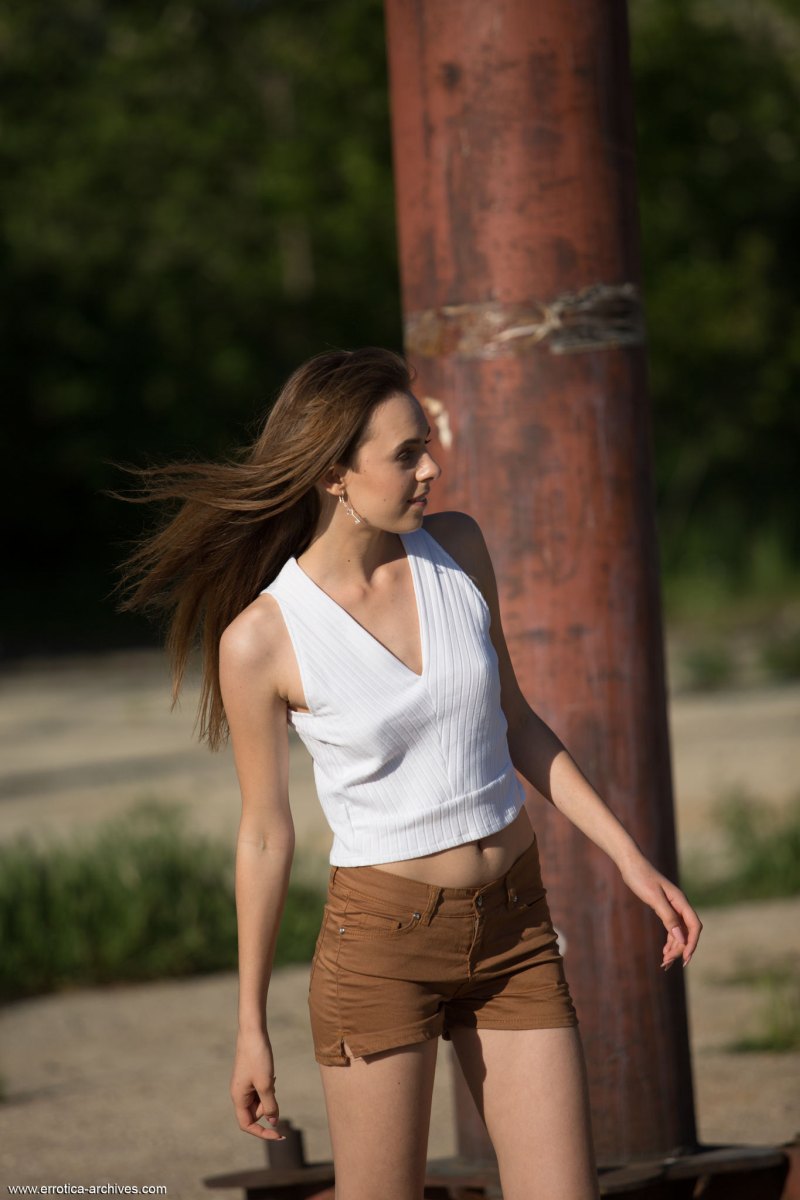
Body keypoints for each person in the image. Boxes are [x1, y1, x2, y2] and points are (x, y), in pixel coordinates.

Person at [119, 346, 701, 1200]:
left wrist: (631, 861)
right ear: (334, 475)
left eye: (426, 445)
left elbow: (516, 721)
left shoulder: (457, 548)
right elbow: (263, 835)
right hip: (381, 950)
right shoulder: (262, 639)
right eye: (405, 455)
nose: (431, 468)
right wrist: (249, 1027)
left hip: (515, 929)